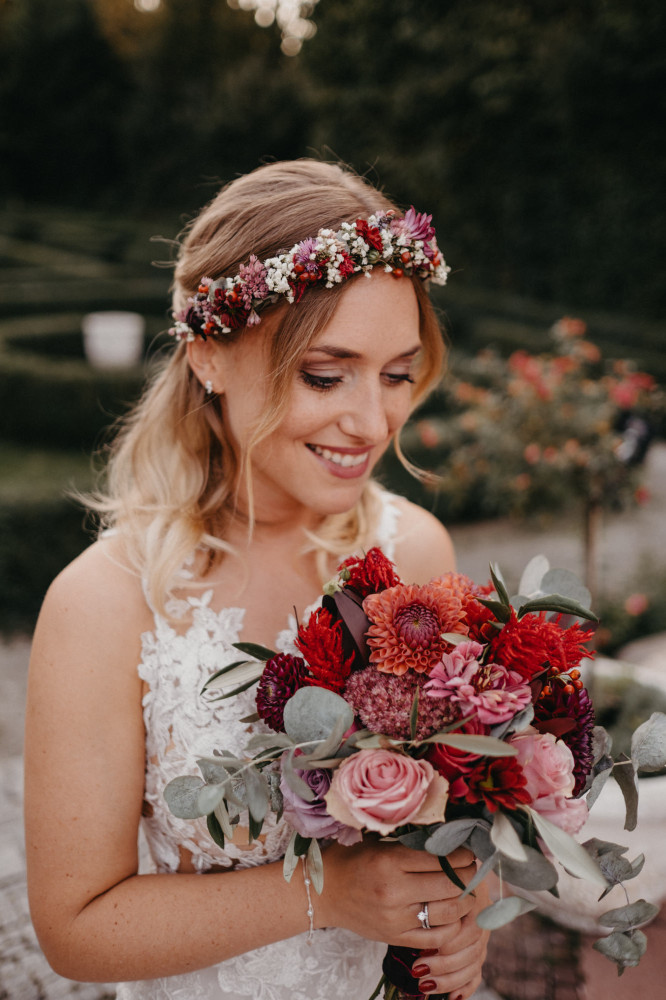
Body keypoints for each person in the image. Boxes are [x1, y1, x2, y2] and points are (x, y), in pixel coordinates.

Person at [24, 159, 490, 1000]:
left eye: (396, 374)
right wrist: (325, 893)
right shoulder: (103, 603)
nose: (372, 421)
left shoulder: (416, 552)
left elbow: (452, 826)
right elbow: (75, 928)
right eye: (324, 374)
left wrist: (459, 912)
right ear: (209, 355)